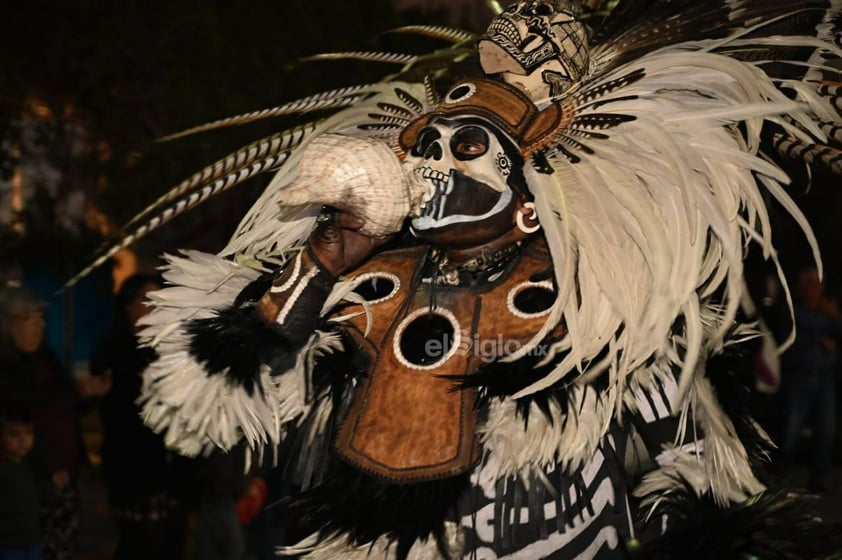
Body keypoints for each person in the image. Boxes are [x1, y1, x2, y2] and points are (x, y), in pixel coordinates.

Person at [71, 1, 842, 557]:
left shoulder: (611, 305)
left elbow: (693, 463)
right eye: (425, 146)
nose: (434, 164)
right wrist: (328, 254)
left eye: (465, 146)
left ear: (533, 201)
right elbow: (205, 402)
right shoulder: (362, 281)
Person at [89, 273, 188, 560]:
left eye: (159, 299)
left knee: (170, 539)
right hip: (129, 461)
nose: (155, 306)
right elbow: (103, 403)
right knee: (136, 541)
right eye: (147, 299)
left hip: (171, 462)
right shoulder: (111, 350)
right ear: (127, 305)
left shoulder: (173, 347)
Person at [0, 284, 92, 560]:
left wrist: (87, 394)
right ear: (8, 323)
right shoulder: (6, 367)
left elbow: (66, 404)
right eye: (31, 317)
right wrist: (47, 469)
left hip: (62, 476)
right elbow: (23, 420)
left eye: (42, 317)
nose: (39, 325)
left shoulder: (45, 357)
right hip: (30, 480)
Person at [778, 267, 842, 491]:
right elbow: (790, 338)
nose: (814, 289)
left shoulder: (828, 311)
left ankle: (818, 478)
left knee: (826, 429)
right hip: (800, 377)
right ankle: (781, 477)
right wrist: (820, 341)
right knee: (792, 429)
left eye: (817, 284)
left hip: (825, 378)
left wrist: (833, 316)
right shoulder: (795, 311)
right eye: (809, 284)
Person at [0, 401, 41, 560]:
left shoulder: (26, 464)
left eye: (28, 432)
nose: (23, 439)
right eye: (14, 434)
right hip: (8, 544)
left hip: (31, 540)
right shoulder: (3, 469)